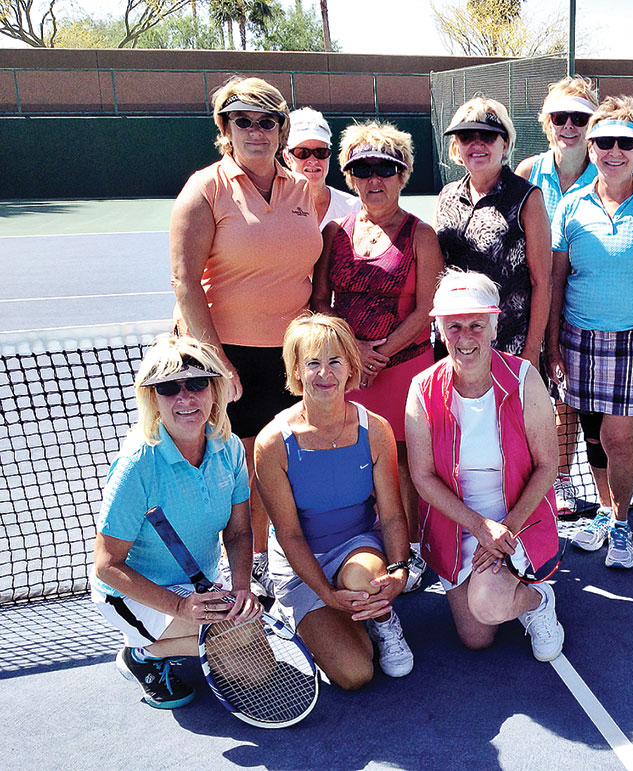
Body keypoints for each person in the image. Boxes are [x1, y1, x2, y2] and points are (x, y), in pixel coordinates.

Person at [169, 76, 322, 598]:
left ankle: (272, 561)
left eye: (266, 121)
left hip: (291, 358)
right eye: (243, 121)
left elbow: (305, 273)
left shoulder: (305, 190)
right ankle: (247, 570)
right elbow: (185, 281)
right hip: (229, 359)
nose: (255, 131)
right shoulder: (205, 187)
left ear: (281, 129)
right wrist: (217, 362)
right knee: (240, 473)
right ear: (225, 128)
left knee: (279, 464)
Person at [91, 335, 262, 709]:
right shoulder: (137, 465)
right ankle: (142, 654)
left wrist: (242, 587)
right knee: (233, 647)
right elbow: (106, 566)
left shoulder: (230, 448)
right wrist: (180, 607)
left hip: (197, 582)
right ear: (152, 398)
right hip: (132, 593)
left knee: (256, 668)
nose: (185, 398)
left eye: (197, 383)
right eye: (169, 387)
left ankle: (185, 638)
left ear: (215, 389)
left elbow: (238, 531)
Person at [405, 269, 564, 662]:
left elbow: (548, 465)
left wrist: (503, 530)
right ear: (440, 331)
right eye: (454, 326)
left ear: (494, 327)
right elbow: (422, 477)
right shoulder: (421, 389)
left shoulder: (526, 379)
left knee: (489, 607)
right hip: (457, 524)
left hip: (517, 521)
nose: (465, 337)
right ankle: (508, 589)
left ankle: (538, 599)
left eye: (476, 325)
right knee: (477, 637)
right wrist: (479, 527)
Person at [311, 121, 443, 593]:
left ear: (403, 174)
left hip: (403, 371)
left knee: (405, 464)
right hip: (347, 372)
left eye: (385, 169)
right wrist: (353, 353)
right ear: (350, 176)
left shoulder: (421, 235)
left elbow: (427, 307)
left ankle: (410, 554)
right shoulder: (335, 234)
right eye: (363, 170)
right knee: (354, 461)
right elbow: (320, 300)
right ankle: (363, 549)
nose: (374, 180)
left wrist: (378, 354)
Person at [549, 96, 633, 570]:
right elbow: (557, 281)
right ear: (590, 145)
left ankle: (621, 521)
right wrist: (552, 344)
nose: (614, 151)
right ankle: (606, 510)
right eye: (604, 142)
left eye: (626, 143)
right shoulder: (569, 207)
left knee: (619, 438)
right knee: (594, 437)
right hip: (579, 340)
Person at [254, 314, 414, 688]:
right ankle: (323, 614)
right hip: (300, 564)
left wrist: (400, 569)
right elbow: (290, 535)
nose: (324, 373)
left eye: (335, 361)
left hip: (356, 548)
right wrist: (326, 595)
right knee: (356, 673)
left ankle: (382, 619)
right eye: (313, 363)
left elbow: (391, 516)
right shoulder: (272, 443)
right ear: (296, 370)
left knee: (364, 579)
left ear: (350, 369)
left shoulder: (375, 430)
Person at [514, 76, 599, 521]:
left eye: (580, 118)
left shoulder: (610, 169)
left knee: (565, 394)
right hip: (528, 301)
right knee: (529, 394)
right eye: (560, 117)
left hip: (582, 301)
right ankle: (524, 477)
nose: (570, 126)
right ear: (548, 124)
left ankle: (563, 478)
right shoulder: (528, 172)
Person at [435, 97, 552, 364]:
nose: (477, 144)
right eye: (466, 136)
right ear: (457, 146)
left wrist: (532, 351)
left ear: (505, 143)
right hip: (457, 345)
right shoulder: (446, 196)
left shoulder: (526, 198)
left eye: (487, 136)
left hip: (510, 345)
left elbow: (542, 282)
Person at [282, 106, 360, 229]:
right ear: (287, 158)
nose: (313, 161)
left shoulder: (353, 208)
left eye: (321, 152)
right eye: (302, 153)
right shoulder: (274, 209)